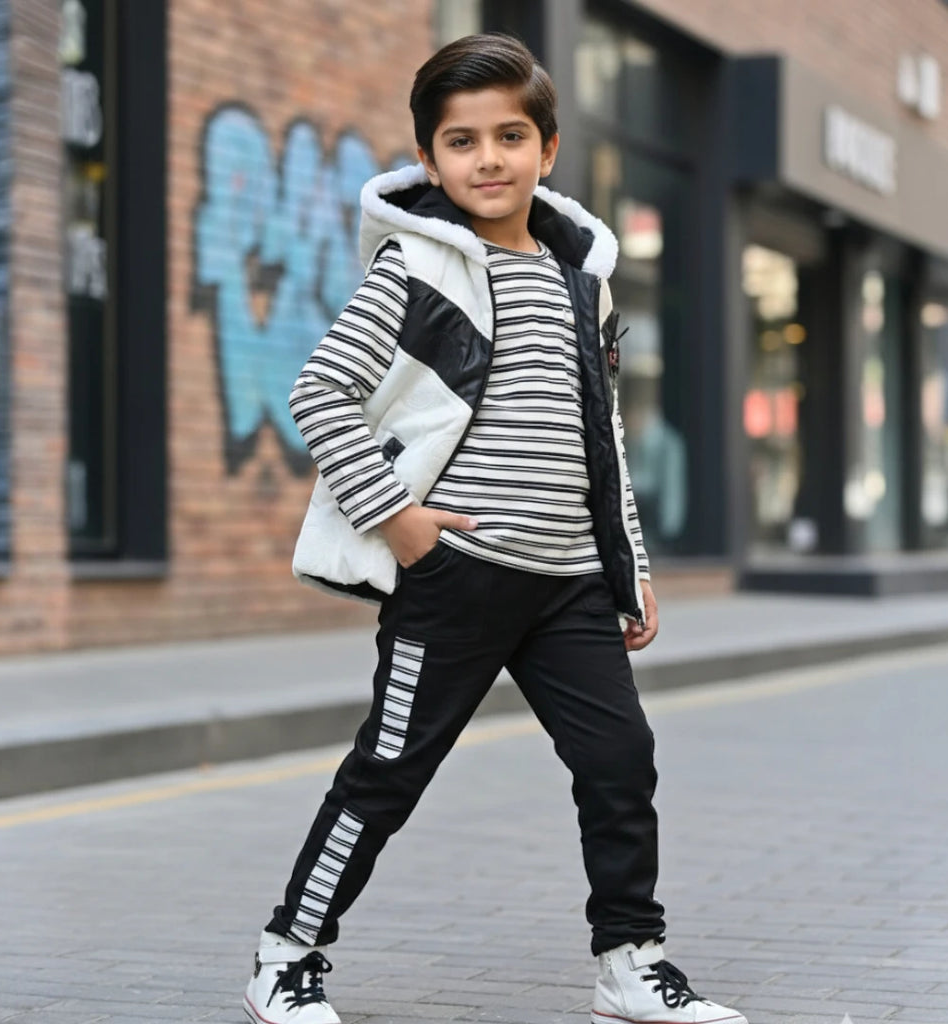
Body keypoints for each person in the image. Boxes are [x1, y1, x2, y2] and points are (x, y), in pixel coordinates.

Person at [243, 33, 747, 1024]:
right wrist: (397, 521)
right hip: (457, 576)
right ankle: (285, 952)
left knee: (619, 762)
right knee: (387, 772)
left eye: (510, 136)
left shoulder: (577, 282)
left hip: (567, 586)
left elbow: (597, 434)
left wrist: (627, 565)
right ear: (428, 161)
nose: (488, 158)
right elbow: (319, 391)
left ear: (547, 149)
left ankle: (629, 961)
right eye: (461, 141)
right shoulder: (415, 270)